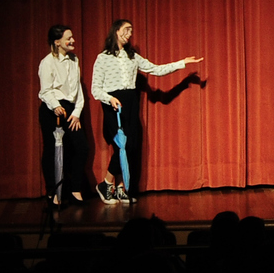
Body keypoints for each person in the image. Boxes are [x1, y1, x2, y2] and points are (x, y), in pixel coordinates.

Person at [90, 19, 203, 203]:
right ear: (116, 31)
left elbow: (156, 69)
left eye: (131, 31)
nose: (130, 34)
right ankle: (106, 183)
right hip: (113, 104)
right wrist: (109, 98)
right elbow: (95, 89)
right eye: (127, 30)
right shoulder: (103, 58)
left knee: (132, 146)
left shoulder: (133, 57)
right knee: (122, 145)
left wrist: (181, 63)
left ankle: (120, 187)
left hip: (131, 102)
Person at [38, 25, 91, 205]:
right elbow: (45, 91)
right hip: (52, 109)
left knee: (82, 148)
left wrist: (77, 112)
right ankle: (53, 192)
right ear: (57, 42)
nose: (73, 40)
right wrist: (55, 106)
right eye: (68, 38)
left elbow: (78, 90)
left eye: (72, 37)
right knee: (52, 151)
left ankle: (75, 189)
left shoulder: (74, 59)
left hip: (70, 109)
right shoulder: (47, 62)